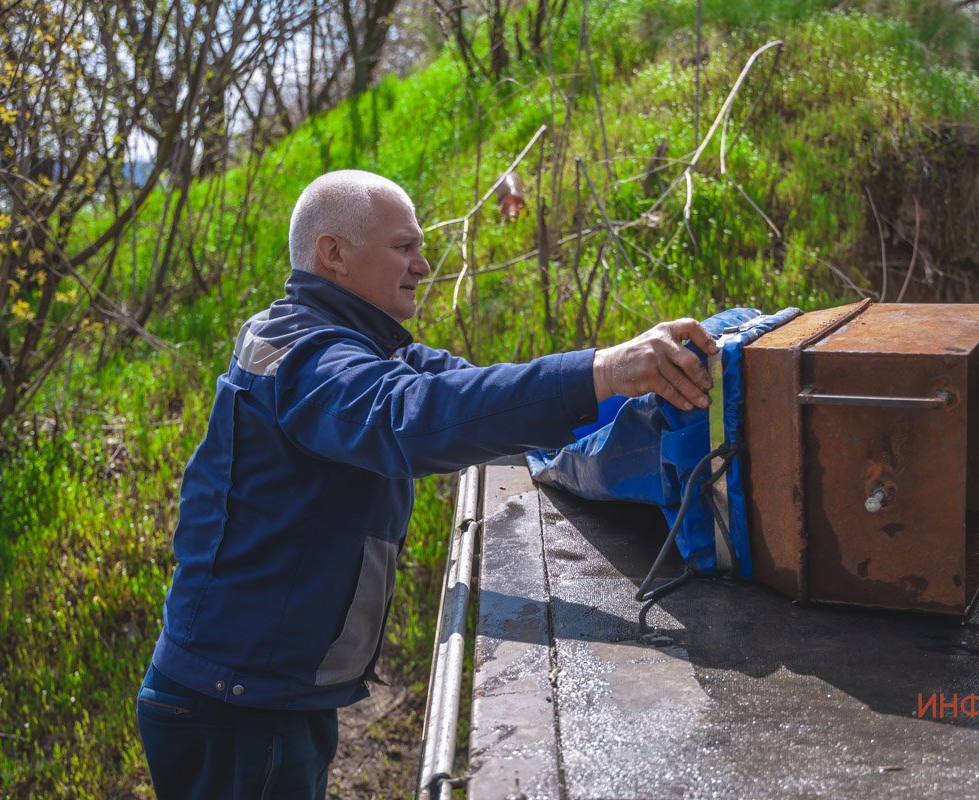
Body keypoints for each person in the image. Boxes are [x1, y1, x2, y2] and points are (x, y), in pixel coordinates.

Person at [136, 170, 717, 799]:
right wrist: (601, 371)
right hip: (235, 709)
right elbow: (408, 419)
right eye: (402, 247)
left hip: (258, 693)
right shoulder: (307, 358)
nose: (422, 263)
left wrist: (616, 385)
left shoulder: (348, 342)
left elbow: (472, 393)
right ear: (334, 254)